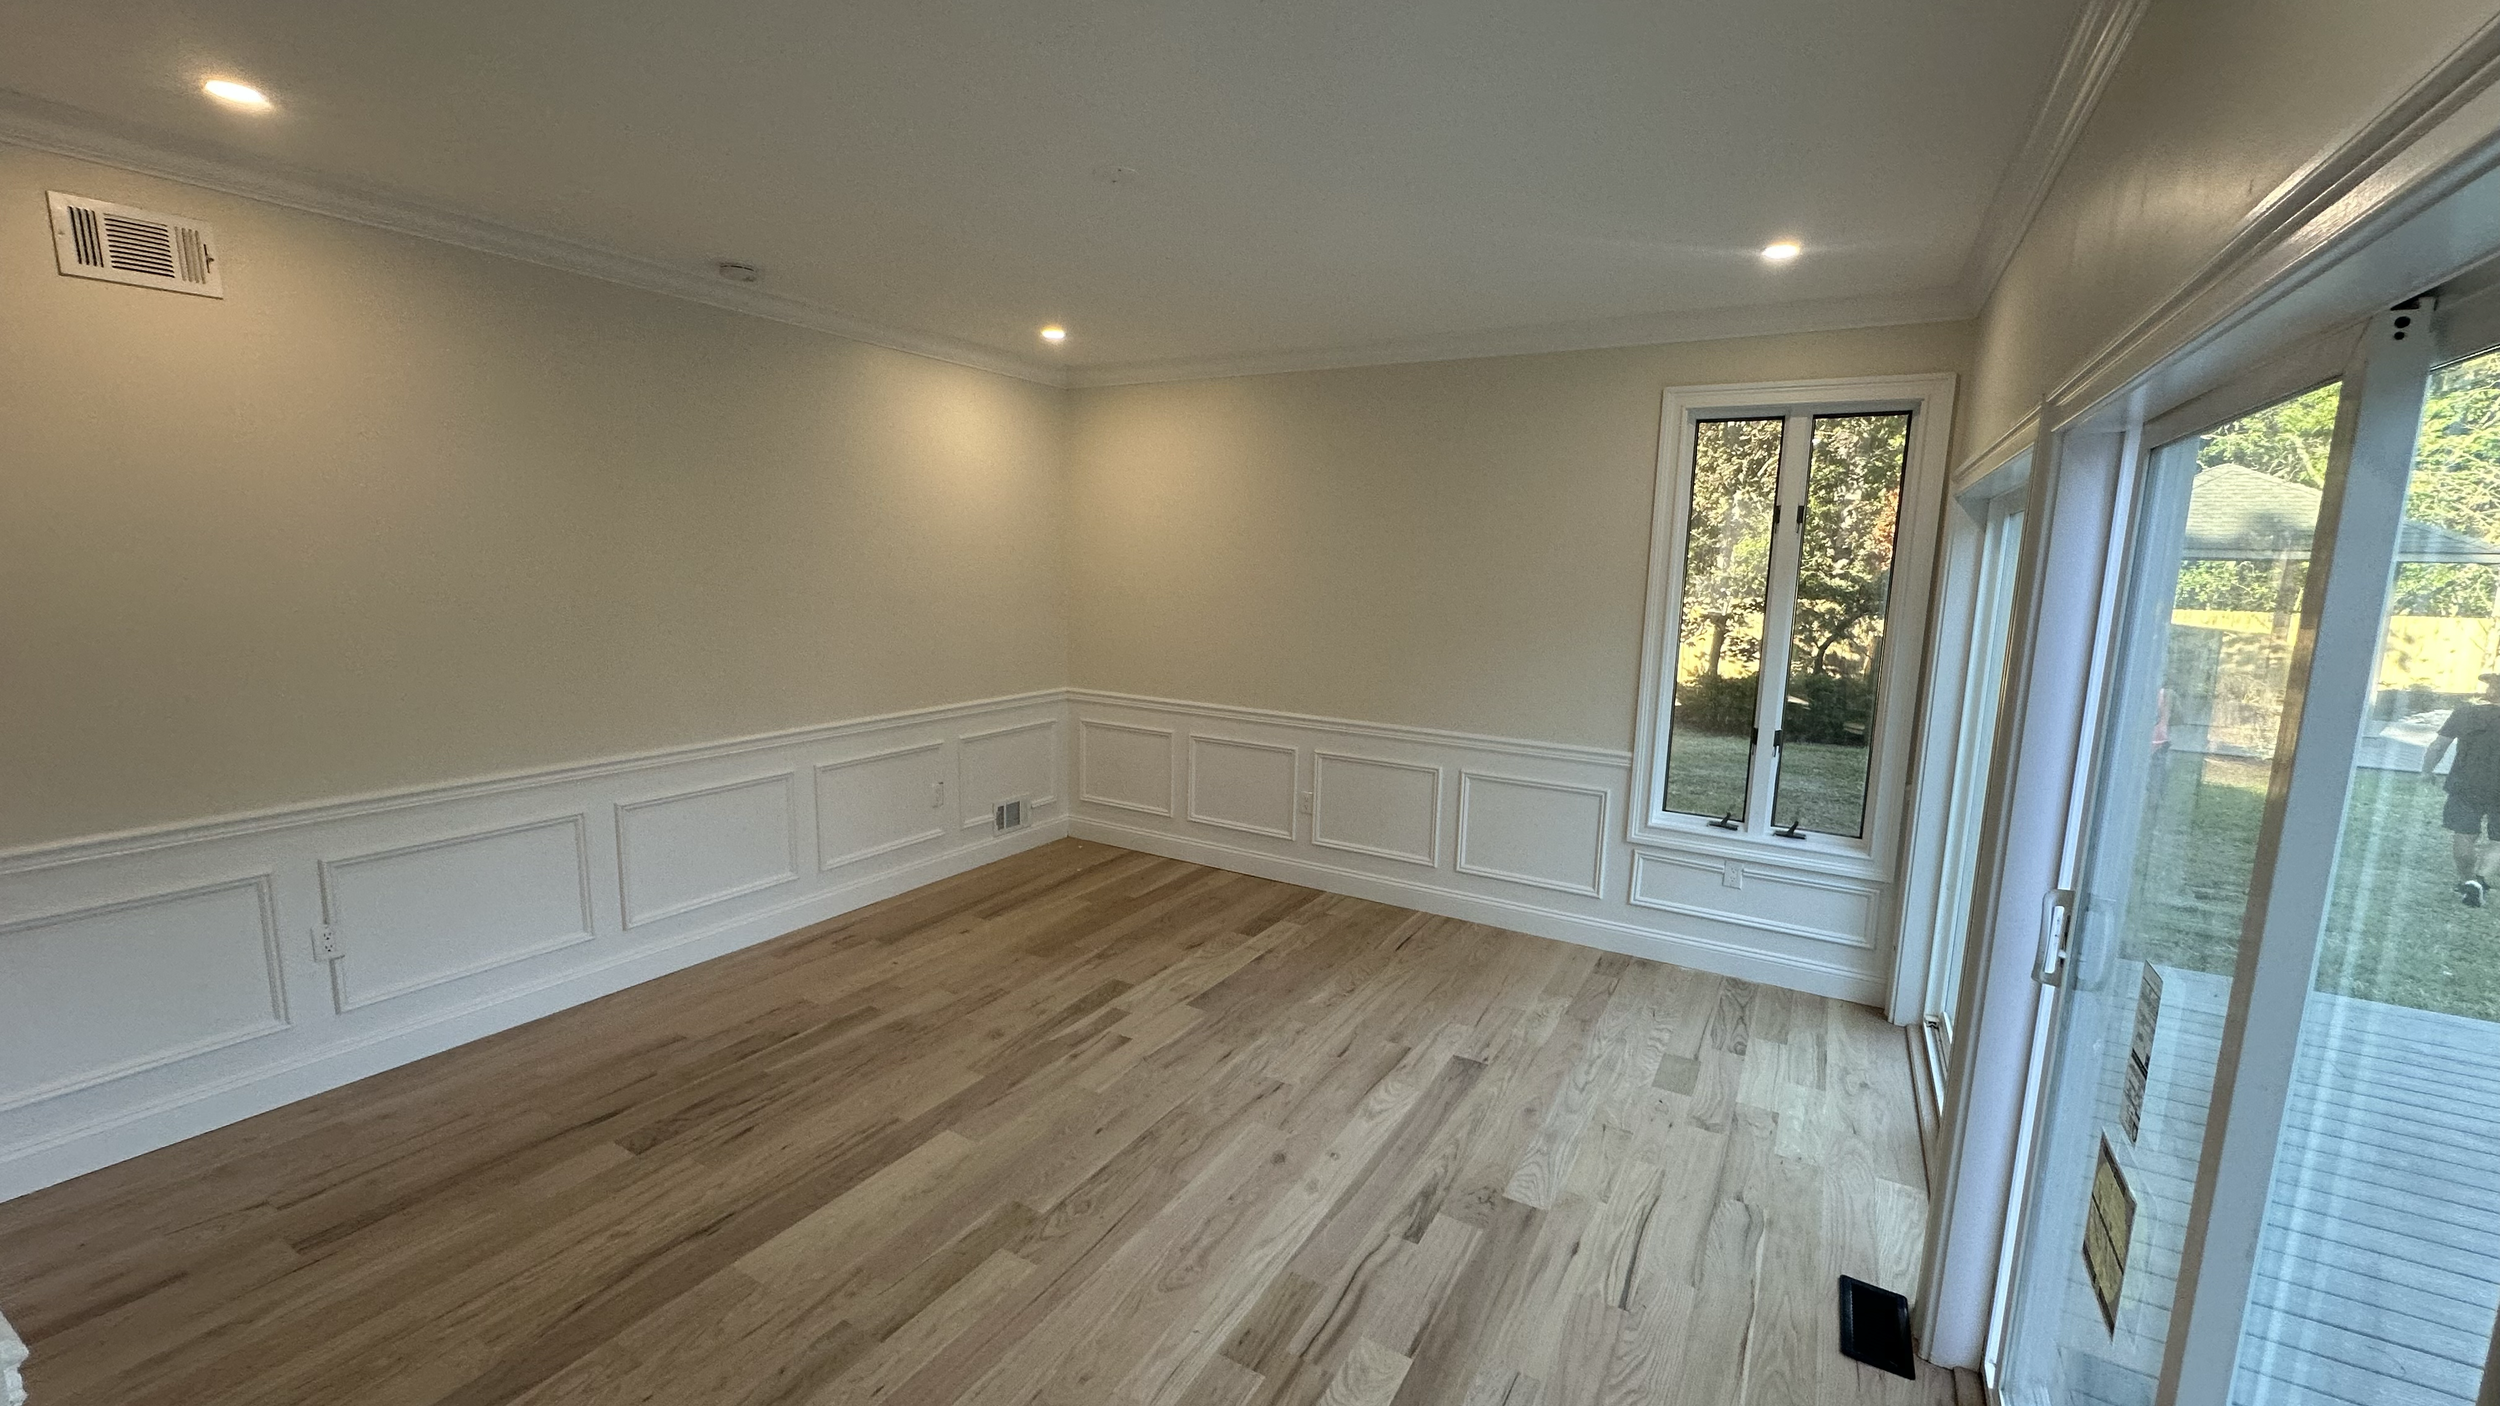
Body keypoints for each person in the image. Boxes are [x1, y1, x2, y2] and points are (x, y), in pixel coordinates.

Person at [2422, 671, 2500, 906]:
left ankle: (2469, 883)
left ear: (2491, 690)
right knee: (2498, 842)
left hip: (2466, 785)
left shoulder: (2465, 712)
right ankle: (2480, 881)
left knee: (2464, 837)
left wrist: (2427, 771)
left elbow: (2438, 746)